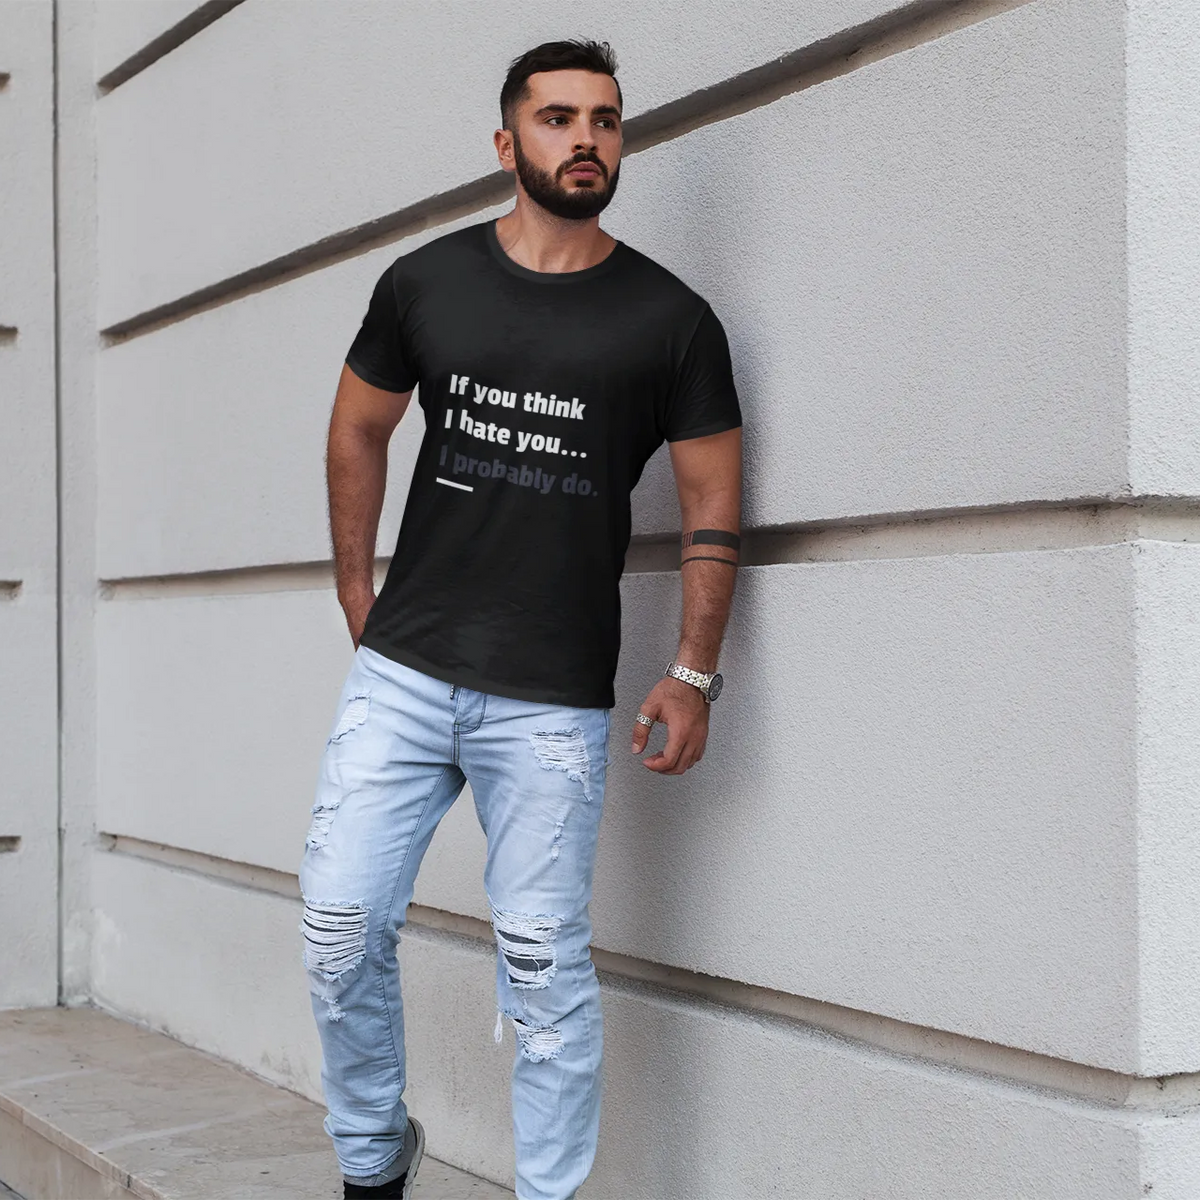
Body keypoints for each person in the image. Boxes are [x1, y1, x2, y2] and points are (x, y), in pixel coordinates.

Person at [299, 37, 742, 1200]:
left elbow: (712, 506)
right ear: (509, 144)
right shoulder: (426, 282)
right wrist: (358, 586)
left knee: (542, 969)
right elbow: (357, 429)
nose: (584, 138)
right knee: (339, 929)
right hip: (406, 669)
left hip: (548, 693)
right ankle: (370, 1160)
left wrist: (693, 671)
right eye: (556, 118)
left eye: (604, 119)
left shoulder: (672, 320)